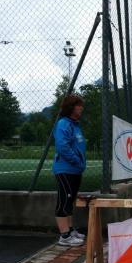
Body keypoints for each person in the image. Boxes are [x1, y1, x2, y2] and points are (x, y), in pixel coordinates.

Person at [52, 94, 86, 246]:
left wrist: (79, 164)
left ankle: (71, 231)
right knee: (64, 201)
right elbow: (62, 146)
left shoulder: (75, 125)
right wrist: (77, 161)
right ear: (71, 107)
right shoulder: (63, 124)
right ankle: (64, 236)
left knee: (70, 201)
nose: (81, 108)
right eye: (79, 105)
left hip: (75, 170)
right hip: (65, 169)